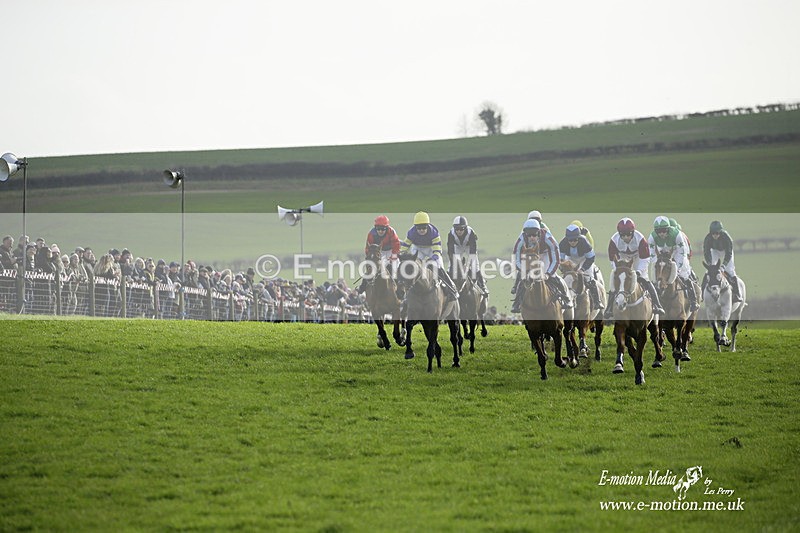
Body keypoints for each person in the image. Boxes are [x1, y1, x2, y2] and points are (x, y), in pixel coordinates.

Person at [605, 217, 665, 318]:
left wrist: (639, 271)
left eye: (628, 234)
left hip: (638, 257)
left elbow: (645, 258)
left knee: (644, 279)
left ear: (632, 232)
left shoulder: (640, 239)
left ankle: (657, 305)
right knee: (617, 280)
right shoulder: (614, 240)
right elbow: (612, 259)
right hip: (622, 257)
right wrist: (618, 269)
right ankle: (609, 308)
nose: (625, 237)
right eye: (622, 235)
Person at [511, 219, 572, 313]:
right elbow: (516, 259)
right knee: (523, 278)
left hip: (545, 255)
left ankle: (566, 299)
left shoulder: (547, 237)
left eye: (534, 235)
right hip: (530, 255)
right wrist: (524, 271)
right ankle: (516, 303)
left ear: (539, 233)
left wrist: (548, 273)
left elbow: (556, 259)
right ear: (525, 234)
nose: (531, 238)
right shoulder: (521, 239)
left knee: (553, 276)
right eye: (529, 235)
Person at [399, 211, 459, 301]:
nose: (421, 230)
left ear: (428, 226)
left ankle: (451, 288)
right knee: (412, 266)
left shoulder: (434, 233)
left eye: (424, 227)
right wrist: (400, 254)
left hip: (431, 249)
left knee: (439, 267)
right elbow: (405, 246)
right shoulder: (411, 233)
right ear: (415, 227)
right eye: (419, 228)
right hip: (417, 248)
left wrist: (433, 258)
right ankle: (406, 289)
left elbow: (437, 250)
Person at [648, 216, 699, 311]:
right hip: (663, 251)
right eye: (659, 231)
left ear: (668, 229)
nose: (661, 233)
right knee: (656, 273)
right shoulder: (652, 237)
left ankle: (693, 301)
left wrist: (677, 267)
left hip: (678, 252)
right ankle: (654, 301)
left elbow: (682, 252)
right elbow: (652, 254)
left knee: (684, 275)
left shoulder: (677, 235)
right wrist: (657, 265)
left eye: (664, 230)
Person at [559, 224, 603, 309]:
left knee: (589, 279)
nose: (572, 242)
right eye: (570, 240)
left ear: (579, 238)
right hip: (570, 259)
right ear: (567, 239)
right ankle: (564, 300)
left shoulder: (584, 242)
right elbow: (561, 260)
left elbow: (591, 258)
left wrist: (582, 269)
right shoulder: (562, 243)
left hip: (584, 259)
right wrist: (563, 267)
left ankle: (597, 301)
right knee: (566, 279)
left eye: (575, 240)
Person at [358, 215, 401, 293]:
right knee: (371, 267)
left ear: (387, 228)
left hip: (391, 250)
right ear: (375, 228)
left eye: (383, 229)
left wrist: (393, 257)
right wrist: (370, 257)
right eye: (378, 229)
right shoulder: (371, 234)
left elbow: (396, 246)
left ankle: (398, 286)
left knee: (395, 266)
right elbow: (368, 247)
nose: (380, 231)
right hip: (379, 252)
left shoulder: (391, 232)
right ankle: (362, 287)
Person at [447, 215, 489, 295]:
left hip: (468, 246)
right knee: (450, 267)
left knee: (475, 266)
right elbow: (450, 250)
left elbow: (473, 251)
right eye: (457, 229)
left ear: (465, 228)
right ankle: (449, 285)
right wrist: (453, 262)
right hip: (457, 247)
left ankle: (482, 286)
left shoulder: (470, 232)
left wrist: (469, 264)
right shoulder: (451, 233)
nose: (459, 231)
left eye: (461, 229)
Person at [703, 220, 741, 302]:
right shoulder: (708, 238)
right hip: (715, 251)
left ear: (720, 232)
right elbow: (706, 252)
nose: (715, 235)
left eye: (717, 233)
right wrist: (709, 263)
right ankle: (702, 293)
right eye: (713, 233)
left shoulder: (727, 238)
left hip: (726, 252)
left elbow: (728, 253)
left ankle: (737, 294)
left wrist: (723, 265)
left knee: (730, 271)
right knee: (708, 271)